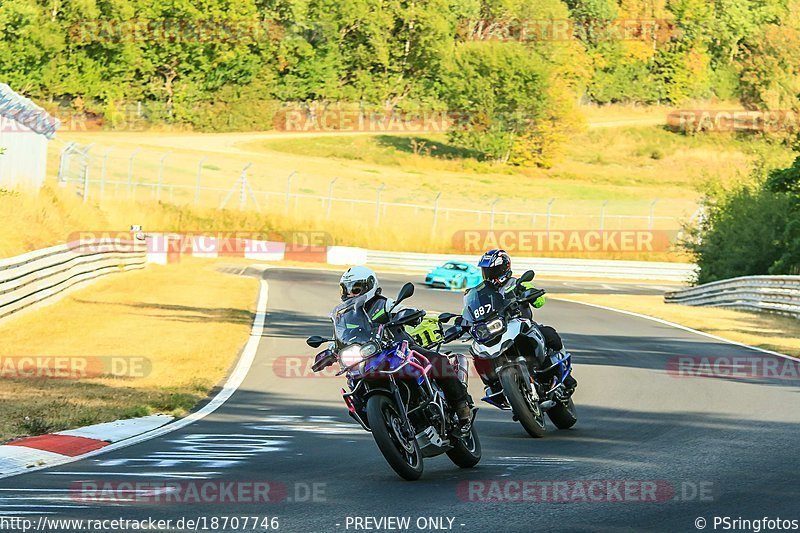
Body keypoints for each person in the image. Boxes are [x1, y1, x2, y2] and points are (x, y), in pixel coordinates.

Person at [337, 266, 474, 427]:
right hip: (369, 358)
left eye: (356, 288)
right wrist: (331, 350)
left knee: (438, 361)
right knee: (355, 394)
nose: (350, 294)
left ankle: (461, 405)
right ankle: (385, 422)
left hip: (399, 349)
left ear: (369, 286)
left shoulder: (383, 304)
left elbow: (401, 310)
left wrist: (408, 314)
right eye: (346, 290)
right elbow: (341, 337)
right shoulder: (345, 317)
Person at [475, 249, 578, 394]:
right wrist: (462, 320)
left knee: (549, 334)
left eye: (494, 270)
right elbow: (471, 310)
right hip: (497, 331)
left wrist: (530, 294)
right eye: (486, 271)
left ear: (505, 267)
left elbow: (540, 302)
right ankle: (495, 386)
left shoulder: (517, 283)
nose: (489, 275)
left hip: (521, 324)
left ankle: (567, 377)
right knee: (479, 352)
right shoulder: (482, 292)